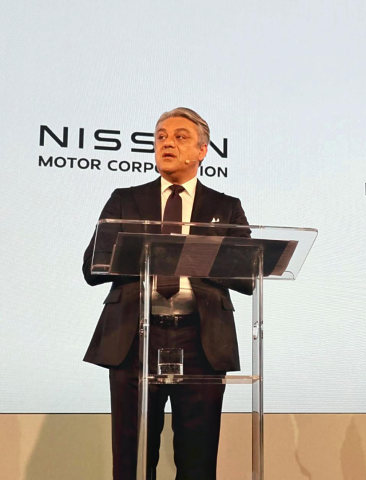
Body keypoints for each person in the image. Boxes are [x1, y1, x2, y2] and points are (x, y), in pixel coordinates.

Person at [82, 107, 252, 479]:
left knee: (198, 458)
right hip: (135, 337)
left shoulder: (226, 207)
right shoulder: (125, 200)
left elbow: (248, 276)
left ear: (202, 151)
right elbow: (92, 267)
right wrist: (151, 253)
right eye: (160, 137)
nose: (166, 143)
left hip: (200, 338)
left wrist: (194, 253)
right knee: (133, 457)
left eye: (179, 136)